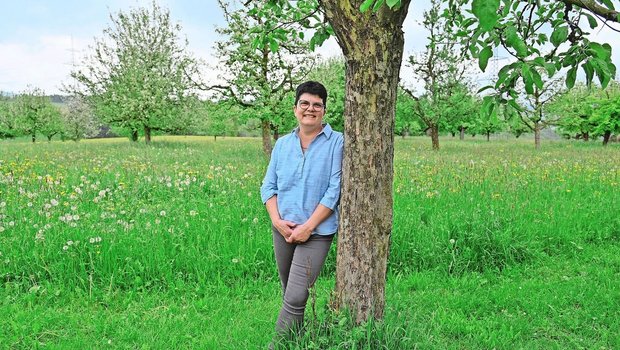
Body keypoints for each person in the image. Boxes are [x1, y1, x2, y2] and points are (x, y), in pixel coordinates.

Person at [260, 81, 344, 337]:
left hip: (317, 232)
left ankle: (278, 344)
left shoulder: (337, 142)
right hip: (283, 230)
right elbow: (268, 186)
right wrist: (277, 221)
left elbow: (334, 189)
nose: (310, 109)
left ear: (324, 110)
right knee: (291, 294)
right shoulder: (283, 144)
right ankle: (298, 339)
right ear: (295, 108)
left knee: (296, 295)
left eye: (317, 105)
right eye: (305, 103)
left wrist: (308, 227)